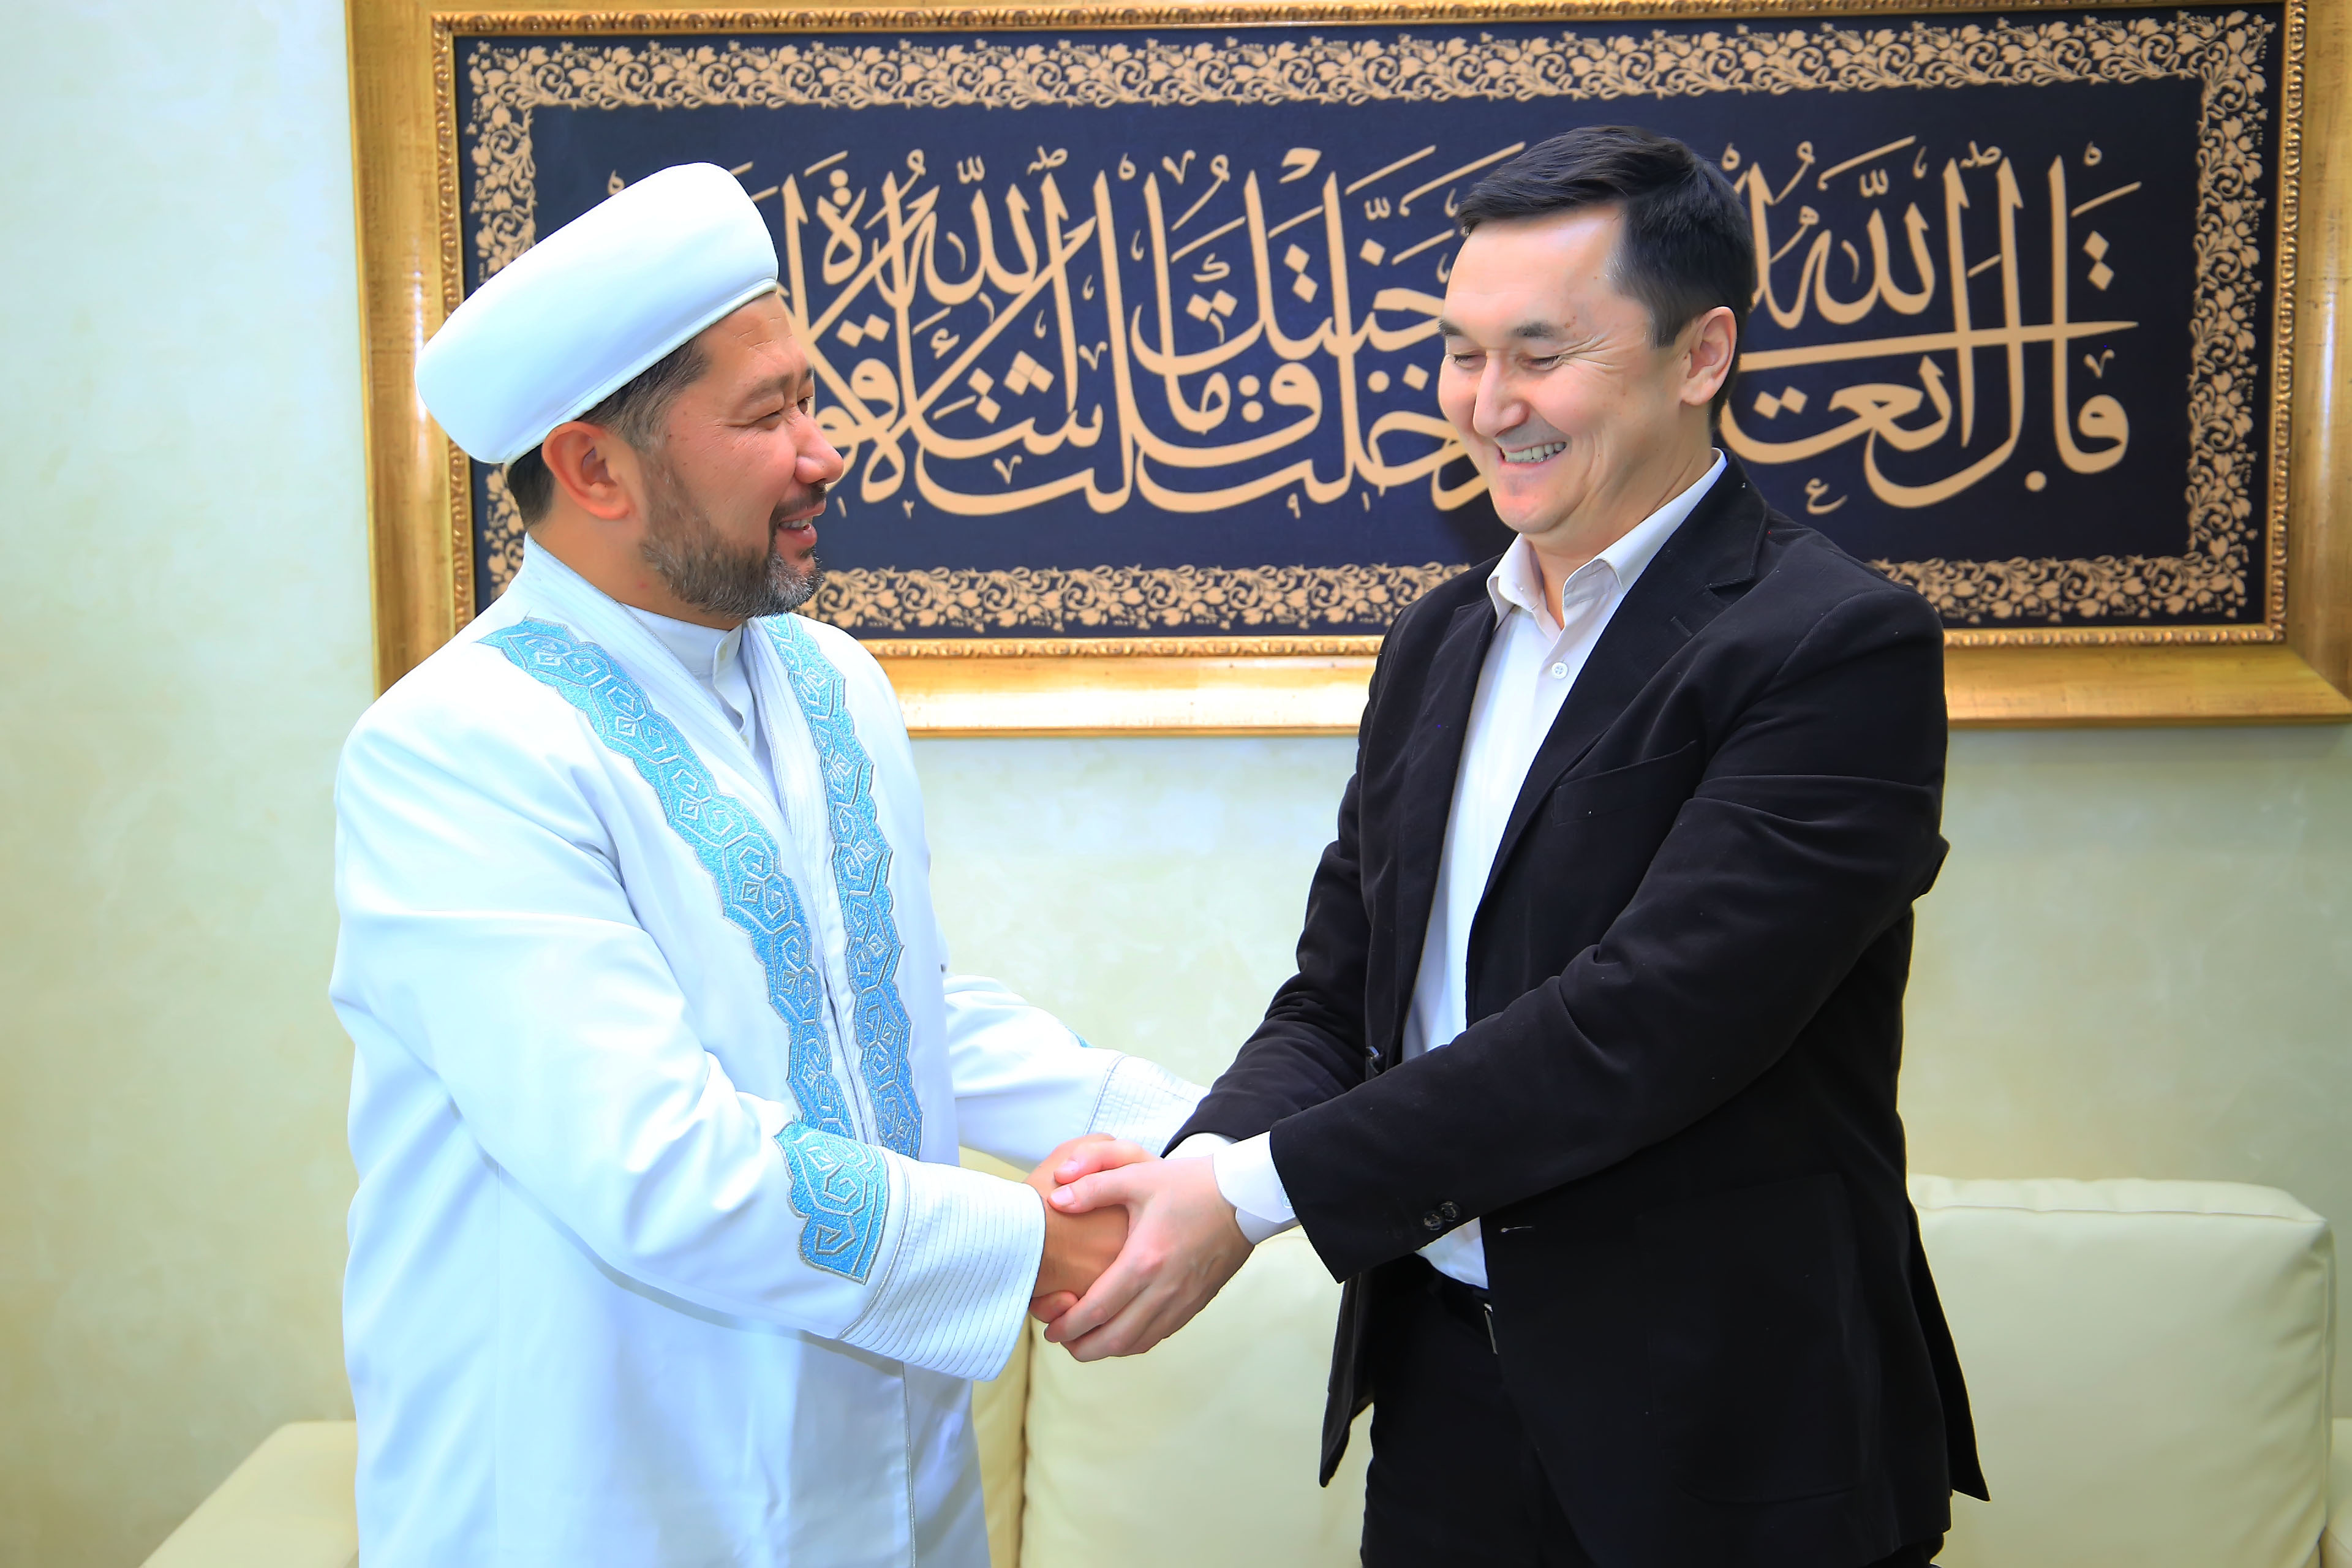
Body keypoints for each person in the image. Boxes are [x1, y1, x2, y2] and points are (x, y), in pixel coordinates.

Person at [1039, 126, 1987, 1567]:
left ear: (1702, 353)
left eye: (1542, 354)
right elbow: (1340, 1000)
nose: (1490, 406)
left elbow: (1640, 1028)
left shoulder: (1836, 643)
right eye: (1462, 353)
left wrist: (1246, 1195)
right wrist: (1198, 1163)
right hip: (1446, 1407)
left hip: (1730, 1434)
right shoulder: (1439, 640)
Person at [330, 163, 1197, 1567]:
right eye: (765, 414)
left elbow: (891, 1011)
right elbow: (653, 1156)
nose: (823, 449)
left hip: (883, 1483)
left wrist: (1217, 1133)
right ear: (594, 468)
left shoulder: (827, 677)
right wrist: (1032, 1243)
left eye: (809, 396)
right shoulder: (457, 750)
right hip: (605, 1501)